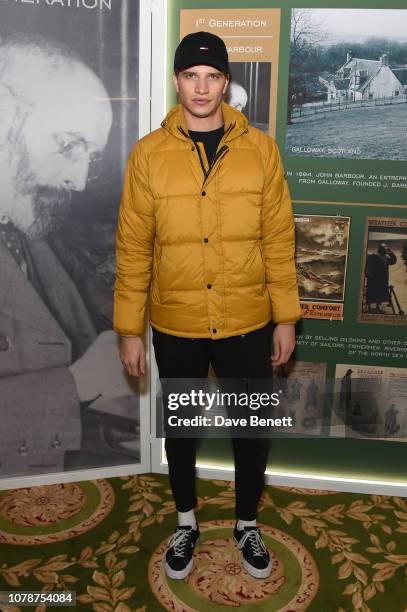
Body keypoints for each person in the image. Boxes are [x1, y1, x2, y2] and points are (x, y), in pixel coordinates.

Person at [114, 31, 301, 580]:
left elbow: (278, 240)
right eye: (191, 76)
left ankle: (247, 523)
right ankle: (186, 521)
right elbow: (132, 247)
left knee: (251, 428)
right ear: (177, 81)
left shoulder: (261, 151)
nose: (201, 87)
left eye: (212, 76)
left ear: (225, 82)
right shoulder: (147, 155)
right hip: (176, 322)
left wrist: (286, 317)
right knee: (183, 429)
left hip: (247, 320)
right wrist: (129, 328)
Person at [0, 33, 130, 476]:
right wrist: (76, 385)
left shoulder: (24, 223)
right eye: (69, 144)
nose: (78, 180)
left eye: (89, 157)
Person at [365, 243, 397, 312]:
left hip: (383, 278)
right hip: (373, 278)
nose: (385, 249)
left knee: (380, 294)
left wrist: (390, 252)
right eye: (384, 248)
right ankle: (369, 307)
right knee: (371, 292)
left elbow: (393, 261)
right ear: (380, 248)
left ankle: (377, 307)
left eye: (386, 247)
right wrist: (367, 272)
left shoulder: (386, 256)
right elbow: (367, 264)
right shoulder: (373, 255)